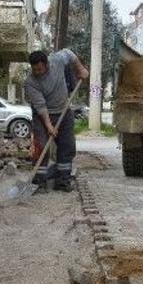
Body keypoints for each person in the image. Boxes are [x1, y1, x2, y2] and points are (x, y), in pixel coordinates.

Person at [24, 49, 89, 192]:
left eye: (40, 69)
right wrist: (49, 126)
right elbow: (40, 106)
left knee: (67, 146)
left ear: (47, 64)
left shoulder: (57, 61)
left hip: (64, 112)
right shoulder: (30, 82)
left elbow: (69, 53)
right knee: (41, 146)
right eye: (34, 70)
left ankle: (63, 181)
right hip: (42, 116)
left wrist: (80, 69)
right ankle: (39, 183)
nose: (38, 72)